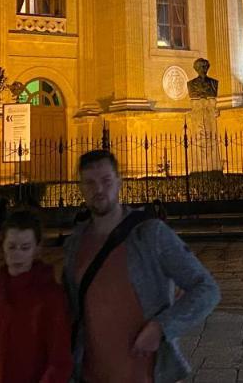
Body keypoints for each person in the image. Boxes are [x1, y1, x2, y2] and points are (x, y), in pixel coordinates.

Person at [62, 149, 219, 383]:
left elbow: (207, 289)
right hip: (90, 375)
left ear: (119, 181)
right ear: (81, 188)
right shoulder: (74, 244)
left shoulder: (151, 234)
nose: (99, 190)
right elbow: (70, 310)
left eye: (106, 180)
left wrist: (162, 327)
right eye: (90, 183)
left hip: (144, 375)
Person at [0, 209, 72, 383]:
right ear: (3, 246)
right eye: (12, 246)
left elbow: (59, 361)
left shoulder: (51, 298)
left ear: (37, 249)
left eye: (25, 248)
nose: (17, 255)